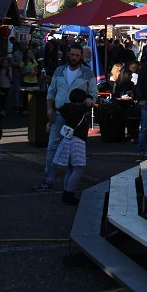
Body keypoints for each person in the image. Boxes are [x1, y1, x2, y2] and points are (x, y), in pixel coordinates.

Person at [33, 45, 94, 192]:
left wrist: (89, 101)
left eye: (77, 55)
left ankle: (70, 181)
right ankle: (48, 179)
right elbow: (51, 91)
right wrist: (49, 109)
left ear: (81, 56)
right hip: (60, 114)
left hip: (77, 118)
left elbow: (93, 93)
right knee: (52, 147)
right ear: (68, 54)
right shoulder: (60, 70)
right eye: (72, 54)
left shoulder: (87, 72)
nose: (74, 58)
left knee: (75, 149)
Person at [54, 88, 92, 205]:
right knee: (78, 168)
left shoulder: (66, 107)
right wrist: (89, 97)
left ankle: (66, 193)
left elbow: (59, 110)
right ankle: (70, 194)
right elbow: (92, 103)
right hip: (78, 141)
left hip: (67, 139)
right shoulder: (81, 108)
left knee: (70, 168)